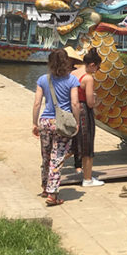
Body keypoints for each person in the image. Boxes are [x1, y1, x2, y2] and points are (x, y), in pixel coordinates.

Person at [32, 48, 81, 206]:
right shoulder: (72, 80)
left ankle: (45, 187)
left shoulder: (42, 79)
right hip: (61, 124)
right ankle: (52, 194)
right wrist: (77, 122)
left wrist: (34, 122)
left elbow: (37, 103)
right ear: (67, 62)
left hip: (45, 122)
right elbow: (75, 103)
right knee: (57, 158)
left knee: (46, 156)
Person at [71, 47, 105, 187]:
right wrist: (96, 100)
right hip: (84, 110)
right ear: (92, 65)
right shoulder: (88, 78)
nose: (96, 71)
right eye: (97, 68)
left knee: (74, 144)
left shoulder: (73, 73)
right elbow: (90, 102)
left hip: (73, 108)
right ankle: (88, 178)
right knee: (87, 146)